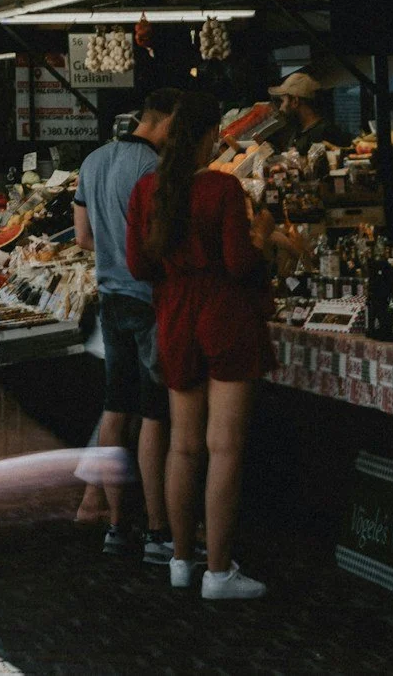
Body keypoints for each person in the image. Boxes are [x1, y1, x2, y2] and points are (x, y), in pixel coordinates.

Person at [128, 91, 273, 601]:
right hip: (224, 316)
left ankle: (181, 560)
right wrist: (267, 247)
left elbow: (139, 267)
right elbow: (239, 263)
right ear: (211, 136)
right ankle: (218, 572)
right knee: (224, 447)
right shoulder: (222, 188)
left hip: (174, 318)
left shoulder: (146, 190)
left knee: (183, 446)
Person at [72, 94, 175, 565]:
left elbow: (82, 238)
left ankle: (116, 525)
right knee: (155, 414)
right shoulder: (153, 168)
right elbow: (160, 242)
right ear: (163, 120)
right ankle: (158, 530)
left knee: (116, 411)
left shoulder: (92, 162)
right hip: (150, 300)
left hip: (110, 298)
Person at [267, 71, 335, 147]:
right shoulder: (300, 132)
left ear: (295, 101)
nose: (280, 108)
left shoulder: (324, 134)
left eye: (282, 101)